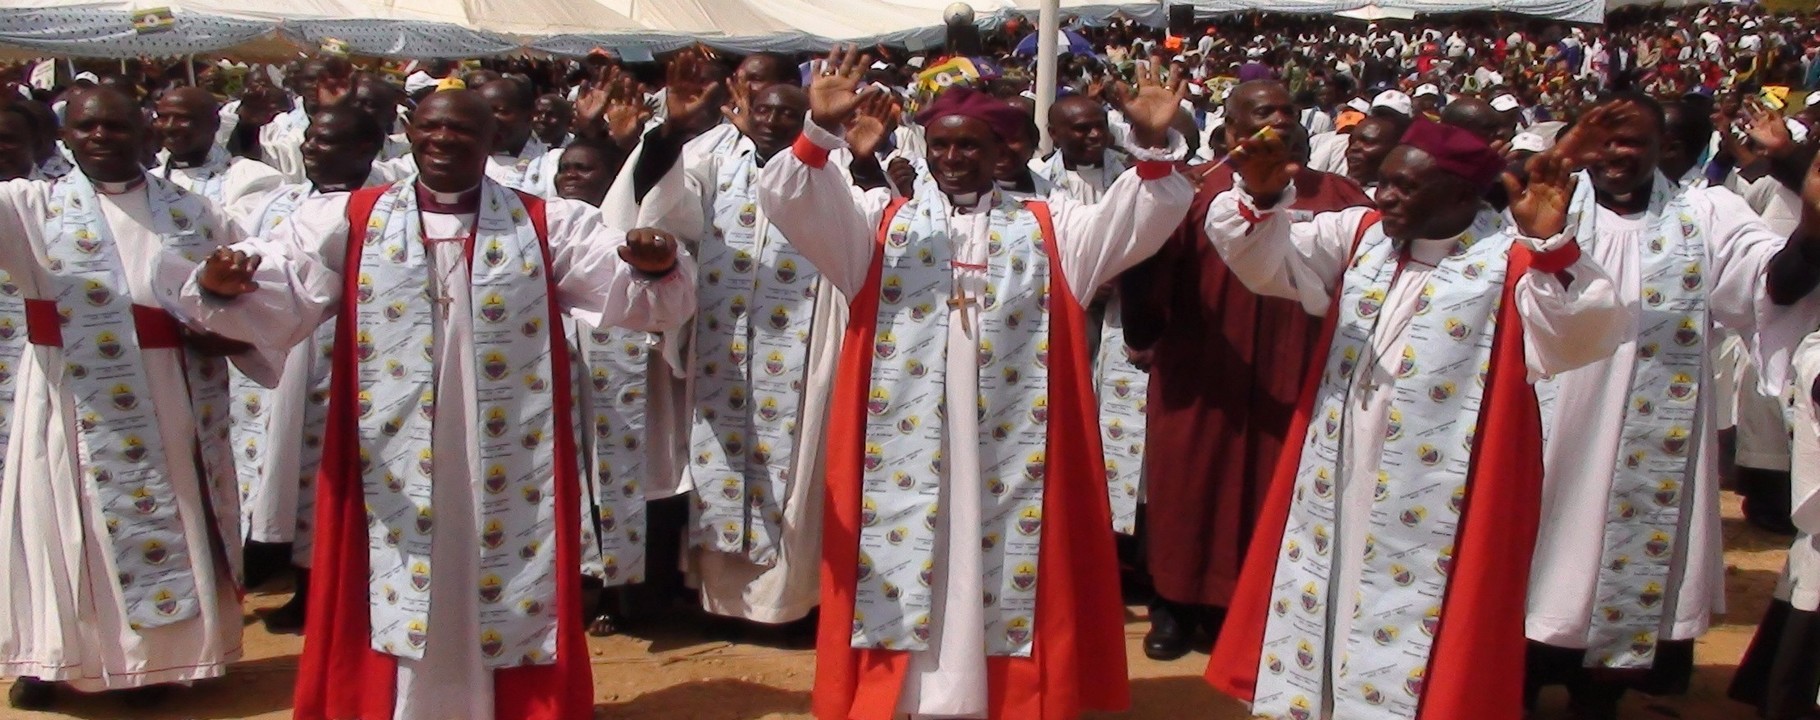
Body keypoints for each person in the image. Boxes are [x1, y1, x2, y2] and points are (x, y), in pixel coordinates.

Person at [162, 87, 697, 720]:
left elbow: (629, 284)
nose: (444, 140)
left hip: (503, 452)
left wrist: (657, 267)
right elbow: (282, 272)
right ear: (411, 133)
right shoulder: (349, 218)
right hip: (387, 449)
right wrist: (224, 282)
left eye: (462, 131)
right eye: (433, 129)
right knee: (391, 572)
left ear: (491, 139)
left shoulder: (546, 221)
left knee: (500, 566)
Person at [760, 46, 1193, 720]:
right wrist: (819, 133)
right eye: (941, 146)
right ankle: (908, 697)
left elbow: (1143, 215)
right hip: (905, 456)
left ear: (1002, 151)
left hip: (1010, 455)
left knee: (999, 562)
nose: (953, 159)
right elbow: (792, 199)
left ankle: (1001, 698)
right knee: (913, 549)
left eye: (970, 146)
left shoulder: (1054, 229)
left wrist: (1156, 142)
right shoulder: (880, 225)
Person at [1203, 115, 1627, 720]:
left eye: (1405, 187)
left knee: (1419, 631)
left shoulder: (1506, 264)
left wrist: (1552, 244)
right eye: (1386, 182)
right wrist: (1265, 198)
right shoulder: (1361, 236)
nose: (1385, 196)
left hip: (1436, 499)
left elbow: (1587, 331)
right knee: (1329, 598)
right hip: (1341, 471)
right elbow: (1262, 260)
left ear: (1459, 197)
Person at [1525, 93, 1820, 717]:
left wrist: (1815, 220)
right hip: (1546, 424)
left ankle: (1595, 695)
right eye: (1606, 139)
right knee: (1529, 556)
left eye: (1635, 141)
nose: (1619, 153)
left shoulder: (1704, 213)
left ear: (1667, 150)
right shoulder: (1543, 199)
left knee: (1614, 585)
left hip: (1649, 434)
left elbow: (1775, 286)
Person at [0, 85, 256, 710]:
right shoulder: (30, 203)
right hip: (66, 391)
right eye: (85, 129)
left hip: (170, 388)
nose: (99, 139)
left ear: (145, 133)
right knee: (61, 518)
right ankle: (55, 656)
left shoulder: (198, 212)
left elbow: (247, 293)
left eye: (115, 128)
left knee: (168, 513)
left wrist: (223, 311)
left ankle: (158, 664)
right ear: (64, 137)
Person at [1117, 79, 1374, 661]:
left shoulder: (1337, 194)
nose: (1278, 119)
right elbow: (1148, 268)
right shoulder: (1194, 187)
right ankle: (1174, 607)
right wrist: (1144, 337)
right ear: (1232, 130)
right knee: (1186, 486)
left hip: (1294, 367)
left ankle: (1249, 612)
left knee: (1271, 490)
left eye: (1287, 110)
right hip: (1204, 363)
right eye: (1262, 113)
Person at [613, 77, 854, 632]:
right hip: (724, 342)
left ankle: (788, 606)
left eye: (787, 112)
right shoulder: (715, 164)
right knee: (717, 466)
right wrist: (668, 133)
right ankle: (721, 604)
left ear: (807, 118)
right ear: (743, 111)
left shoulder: (828, 172)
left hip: (803, 346)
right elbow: (661, 206)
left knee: (795, 470)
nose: (771, 120)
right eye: (762, 109)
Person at [229, 105, 387, 635]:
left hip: (364, 359)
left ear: (366, 150)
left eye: (326, 141)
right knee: (299, 477)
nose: (310, 150)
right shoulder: (278, 202)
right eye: (309, 141)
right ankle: (306, 585)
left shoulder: (390, 201)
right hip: (293, 358)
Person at [152, 86, 285, 224]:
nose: (169, 126)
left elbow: (243, 230)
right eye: (162, 117)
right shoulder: (149, 180)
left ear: (214, 124)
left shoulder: (253, 176)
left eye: (182, 118)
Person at [1030, 95, 1124, 202]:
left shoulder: (1129, 171)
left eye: (1101, 126)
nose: (1096, 134)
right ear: (1054, 133)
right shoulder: (1036, 176)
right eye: (1082, 128)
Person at [1344, 115, 1403, 198]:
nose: (1353, 148)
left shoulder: (1395, 201)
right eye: (1351, 142)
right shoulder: (1335, 188)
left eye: (1367, 142)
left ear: (1395, 149)